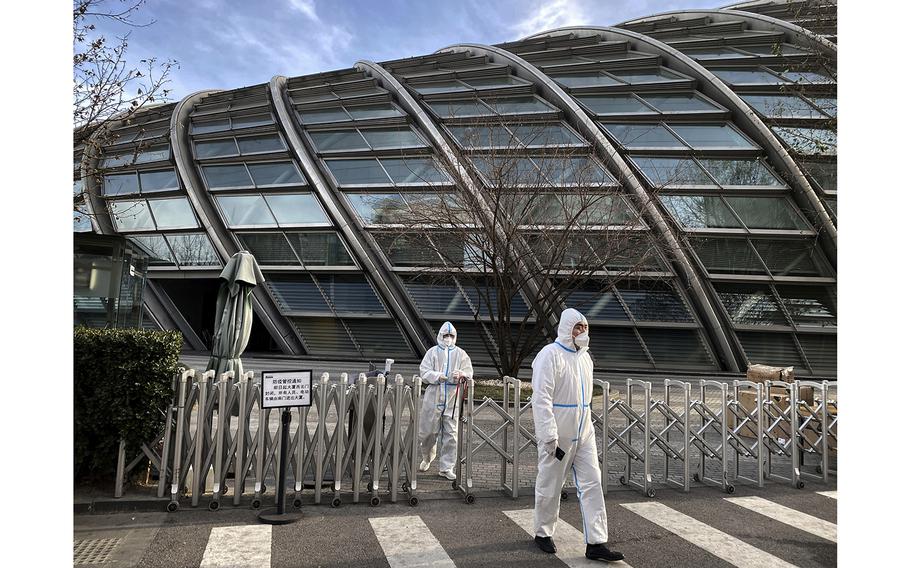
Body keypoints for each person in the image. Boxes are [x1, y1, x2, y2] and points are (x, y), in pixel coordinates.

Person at [530, 308, 624, 562]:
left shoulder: (585, 359)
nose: (582, 332)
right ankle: (542, 532)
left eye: (584, 327)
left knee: (592, 483)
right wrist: (549, 435)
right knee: (551, 483)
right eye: (577, 327)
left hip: (584, 431)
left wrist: (587, 427)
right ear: (565, 328)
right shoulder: (550, 355)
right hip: (558, 433)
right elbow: (541, 398)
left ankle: (596, 541)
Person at [417, 321, 473, 481]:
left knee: (451, 434)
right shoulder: (432, 352)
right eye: (445, 335)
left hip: (452, 398)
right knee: (428, 432)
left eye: (451, 335)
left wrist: (461, 374)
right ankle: (427, 458)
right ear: (440, 336)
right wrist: (436, 376)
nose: (448, 338)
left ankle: (446, 467)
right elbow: (424, 371)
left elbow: (469, 373)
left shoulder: (461, 354)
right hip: (434, 395)